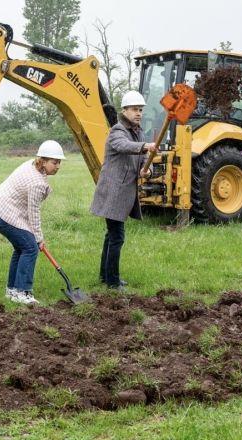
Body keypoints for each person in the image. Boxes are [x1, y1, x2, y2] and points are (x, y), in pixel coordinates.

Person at [89, 90, 158, 292]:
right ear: (124, 110)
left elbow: (145, 160)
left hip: (123, 192)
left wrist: (148, 170)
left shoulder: (139, 132)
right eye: (135, 109)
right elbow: (124, 146)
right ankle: (113, 282)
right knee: (117, 236)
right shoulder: (117, 131)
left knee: (111, 236)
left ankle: (105, 275)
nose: (138, 113)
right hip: (113, 192)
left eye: (140, 110)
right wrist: (145, 146)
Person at [0, 140, 65, 305]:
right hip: (4, 214)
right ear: (43, 161)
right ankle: (23, 292)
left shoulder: (31, 164)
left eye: (59, 162)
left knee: (22, 248)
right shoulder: (37, 183)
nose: (57, 166)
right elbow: (33, 213)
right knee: (30, 248)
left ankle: (13, 291)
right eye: (54, 162)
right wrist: (39, 238)